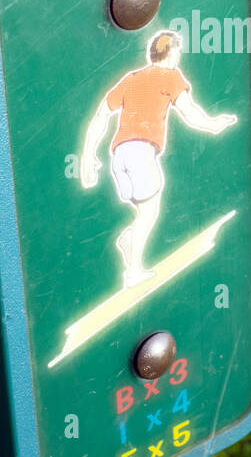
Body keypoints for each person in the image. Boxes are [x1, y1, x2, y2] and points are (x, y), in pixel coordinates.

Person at [80, 30, 237, 287]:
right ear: (172, 52)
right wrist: (214, 124)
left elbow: (100, 115)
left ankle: (128, 240)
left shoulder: (132, 79)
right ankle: (132, 270)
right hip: (140, 152)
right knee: (149, 211)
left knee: (144, 210)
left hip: (119, 156)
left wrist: (88, 155)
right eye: (178, 51)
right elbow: (189, 112)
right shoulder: (170, 77)